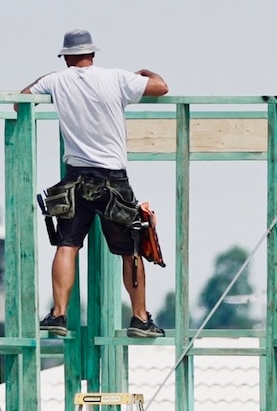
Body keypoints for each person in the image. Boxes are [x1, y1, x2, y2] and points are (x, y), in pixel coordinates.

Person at [20, 29, 169, 338]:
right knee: (131, 249)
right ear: (94, 54)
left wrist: (51, 77)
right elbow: (161, 87)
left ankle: (59, 315)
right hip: (113, 178)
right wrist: (144, 72)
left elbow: (21, 98)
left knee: (67, 245)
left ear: (66, 57)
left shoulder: (57, 81)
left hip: (75, 178)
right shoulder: (116, 78)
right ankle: (140, 319)